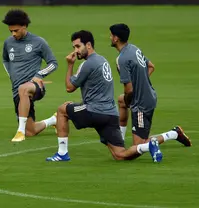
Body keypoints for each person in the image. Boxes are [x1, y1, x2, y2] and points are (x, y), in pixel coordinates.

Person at [46, 30, 166, 163]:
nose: (75, 51)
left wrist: (70, 65)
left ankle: (62, 153)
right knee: (120, 155)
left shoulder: (87, 64)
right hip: (111, 114)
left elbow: (69, 87)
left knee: (62, 110)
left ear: (89, 45)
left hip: (94, 111)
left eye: (78, 46)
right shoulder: (103, 60)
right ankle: (148, 145)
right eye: (74, 47)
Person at [109, 23, 191, 146]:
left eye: (111, 35)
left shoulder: (122, 59)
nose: (110, 37)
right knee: (121, 101)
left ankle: (174, 133)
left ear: (116, 38)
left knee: (138, 146)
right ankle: (119, 140)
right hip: (149, 95)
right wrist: (141, 83)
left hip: (141, 104)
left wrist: (133, 99)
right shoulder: (134, 49)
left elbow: (129, 89)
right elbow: (151, 66)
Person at [2, 9, 58, 142]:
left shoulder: (38, 42)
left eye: (16, 30)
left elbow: (53, 63)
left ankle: (20, 132)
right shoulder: (8, 43)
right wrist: (11, 74)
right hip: (17, 90)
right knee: (31, 131)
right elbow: (5, 60)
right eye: (11, 31)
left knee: (24, 88)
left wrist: (40, 75)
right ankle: (55, 119)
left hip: (35, 87)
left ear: (24, 26)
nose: (13, 34)